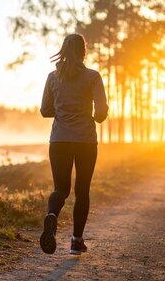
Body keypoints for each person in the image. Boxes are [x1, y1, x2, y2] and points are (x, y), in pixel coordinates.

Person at [39, 33, 108, 255]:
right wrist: (94, 115)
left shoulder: (52, 77)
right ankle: (76, 242)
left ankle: (52, 215)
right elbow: (100, 113)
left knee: (61, 189)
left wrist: (62, 109)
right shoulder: (93, 77)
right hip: (85, 141)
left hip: (59, 140)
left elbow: (44, 111)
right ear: (83, 52)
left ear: (64, 50)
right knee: (82, 191)